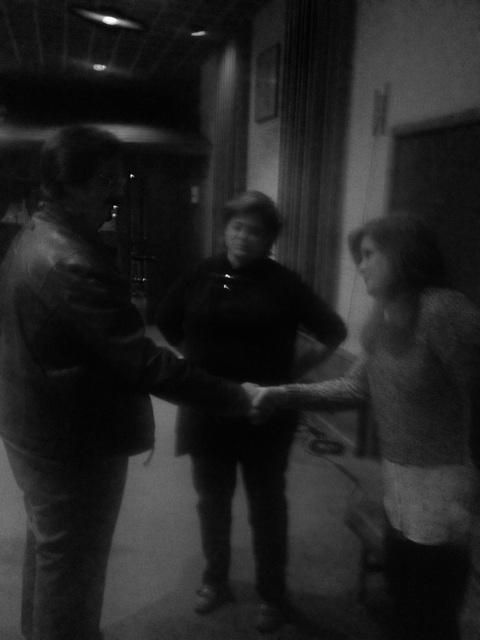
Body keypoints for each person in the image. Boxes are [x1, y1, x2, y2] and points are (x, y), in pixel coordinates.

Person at [0, 125, 257, 640]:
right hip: (69, 442)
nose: (117, 193)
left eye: (119, 180)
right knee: (73, 566)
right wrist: (237, 396)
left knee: (52, 551)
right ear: (66, 185)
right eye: (105, 181)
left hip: (36, 424)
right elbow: (142, 362)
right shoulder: (68, 260)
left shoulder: (36, 234)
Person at [251, 214, 480, 640]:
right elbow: (355, 386)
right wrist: (282, 394)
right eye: (360, 256)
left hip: (444, 483)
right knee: (404, 596)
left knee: (434, 608)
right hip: (400, 478)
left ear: (403, 255)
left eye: (370, 254)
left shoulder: (442, 310)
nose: (361, 266)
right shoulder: (384, 319)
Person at [156, 190, 347, 632]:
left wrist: (295, 370)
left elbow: (333, 330)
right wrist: (194, 360)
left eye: (255, 231)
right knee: (212, 502)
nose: (243, 237)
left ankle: (273, 596)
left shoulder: (284, 283)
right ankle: (215, 581)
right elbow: (166, 318)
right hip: (208, 408)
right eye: (236, 227)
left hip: (265, 411)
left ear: (269, 239)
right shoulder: (202, 273)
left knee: (267, 506)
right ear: (225, 229)